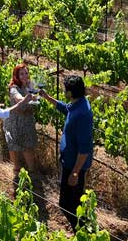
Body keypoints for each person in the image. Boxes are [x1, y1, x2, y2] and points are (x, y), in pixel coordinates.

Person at [39, 75, 93, 230]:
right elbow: (65, 108)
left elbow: (84, 148)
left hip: (74, 165)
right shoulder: (77, 104)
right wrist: (47, 97)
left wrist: (75, 173)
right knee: (76, 202)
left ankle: (83, 234)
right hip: (69, 162)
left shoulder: (82, 114)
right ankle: (85, 230)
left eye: (65, 89)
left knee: (66, 204)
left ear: (70, 93)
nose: (63, 91)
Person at [3, 64, 39, 189]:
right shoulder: (14, 88)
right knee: (14, 146)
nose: (24, 76)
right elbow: (18, 98)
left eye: (26, 73)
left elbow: (36, 97)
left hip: (27, 120)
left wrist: (36, 96)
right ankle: (17, 170)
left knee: (28, 146)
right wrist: (27, 98)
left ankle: (32, 172)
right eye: (21, 74)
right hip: (15, 121)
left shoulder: (30, 85)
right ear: (16, 76)